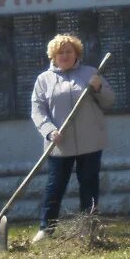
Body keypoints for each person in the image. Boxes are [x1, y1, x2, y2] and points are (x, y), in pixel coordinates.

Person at [30, 34, 114, 243]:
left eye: (69, 51)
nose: (65, 55)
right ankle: (46, 229)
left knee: (89, 185)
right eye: (61, 52)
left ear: (76, 53)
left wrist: (98, 88)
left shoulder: (90, 73)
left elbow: (110, 101)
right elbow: (38, 111)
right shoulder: (44, 80)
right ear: (53, 56)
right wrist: (49, 131)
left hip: (90, 141)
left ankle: (89, 229)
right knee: (55, 185)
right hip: (59, 144)